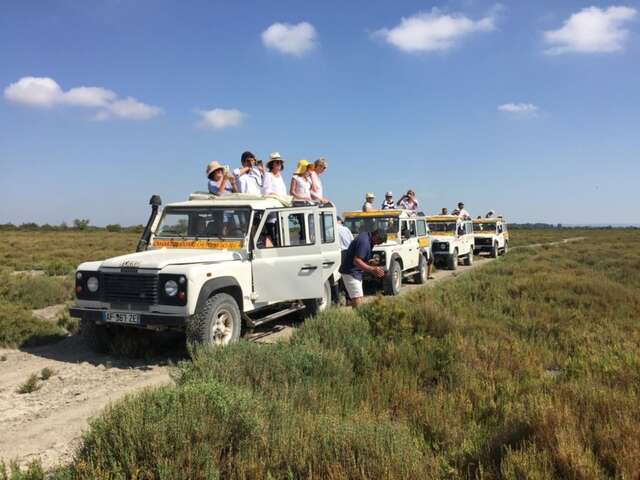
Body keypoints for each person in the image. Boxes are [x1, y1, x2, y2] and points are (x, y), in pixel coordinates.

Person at [339, 229, 386, 307]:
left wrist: (370, 263)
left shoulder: (366, 237)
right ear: (376, 236)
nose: (378, 244)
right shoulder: (364, 242)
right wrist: (372, 269)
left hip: (354, 272)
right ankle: (358, 318)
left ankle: (357, 317)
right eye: (379, 241)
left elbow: (359, 258)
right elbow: (356, 261)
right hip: (351, 272)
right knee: (357, 300)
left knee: (358, 298)